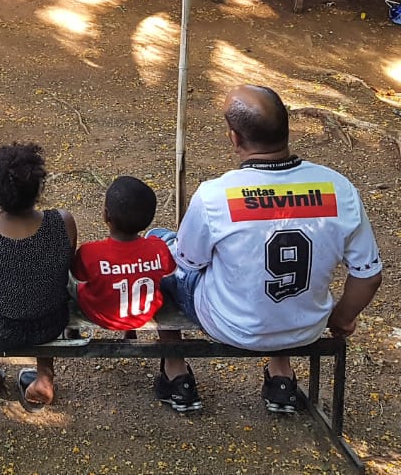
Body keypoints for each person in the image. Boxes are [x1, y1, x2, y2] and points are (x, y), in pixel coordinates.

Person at [154, 85, 383, 415]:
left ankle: (176, 373)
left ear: (234, 138)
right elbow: (368, 275)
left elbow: (189, 262)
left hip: (230, 325)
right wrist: (342, 318)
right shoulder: (338, 188)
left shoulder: (215, 195)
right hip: (306, 328)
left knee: (159, 247)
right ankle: (281, 376)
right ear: (286, 129)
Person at [0, 143, 77, 409]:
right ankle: (44, 376)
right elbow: (61, 272)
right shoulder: (63, 221)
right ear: (38, 186)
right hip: (49, 323)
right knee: (44, 286)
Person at [71, 177, 174, 333]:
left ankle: (71, 335)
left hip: (99, 315)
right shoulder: (159, 248)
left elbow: (78, 276)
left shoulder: (90, 252)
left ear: (106, 215)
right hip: (143, 314)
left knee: (69, 281)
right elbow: (170, 271)